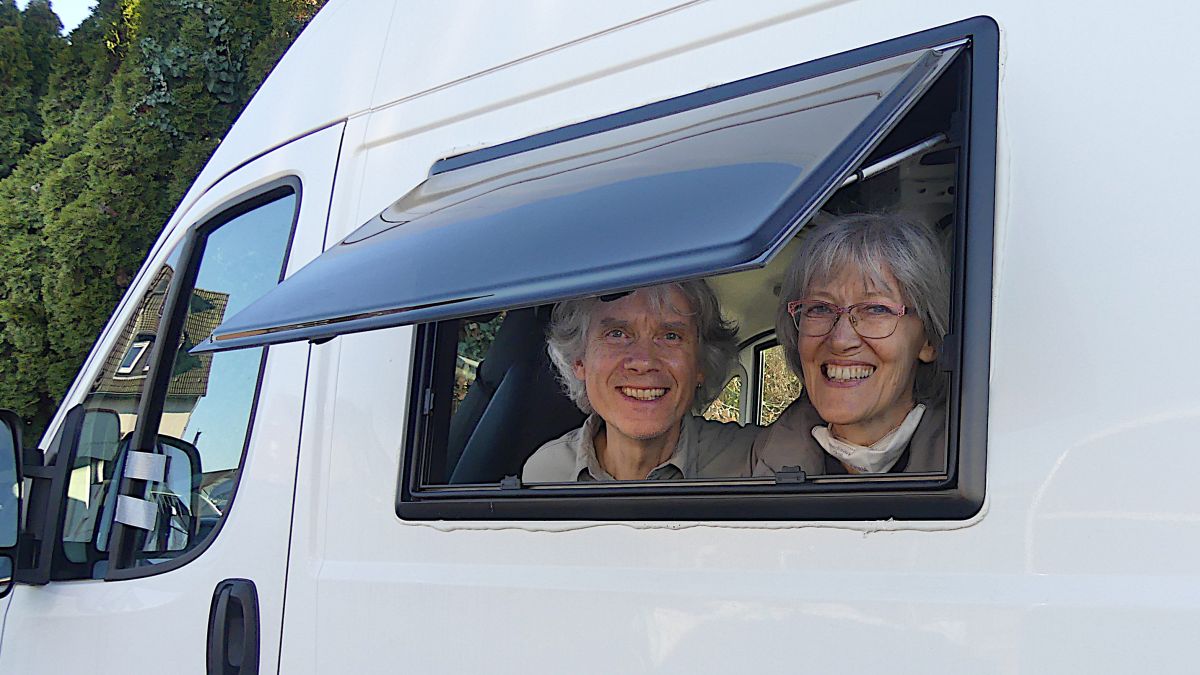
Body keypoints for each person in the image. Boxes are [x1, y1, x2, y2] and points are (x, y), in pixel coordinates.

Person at [754, 213, 949, 476]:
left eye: (876, 309)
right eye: (820, 308)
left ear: (928, 341)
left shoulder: (989, 465)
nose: (840, 340)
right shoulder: (745, 468)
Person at [523, 280, 756, 482]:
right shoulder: (544, 472)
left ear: (700, 364)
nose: (643, 361)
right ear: (579, 362)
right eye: (616, 334)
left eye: (670, 336)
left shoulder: (751, 459)